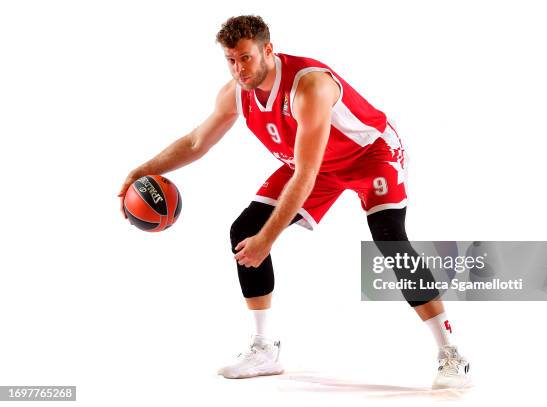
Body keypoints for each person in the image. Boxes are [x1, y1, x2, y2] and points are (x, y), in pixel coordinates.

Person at [118, 15, 470, 389]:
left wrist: (268, 239)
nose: (239, 68)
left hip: (369, 154)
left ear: (267, 50)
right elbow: (195, 143)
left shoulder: (309, 86)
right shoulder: (236, 92)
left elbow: (304, 175)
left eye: (246, 58)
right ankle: (264, 348)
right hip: (311, 163)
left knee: (389, 239)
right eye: (231, 60)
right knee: (245, 231)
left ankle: (451, 354)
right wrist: (138, 172)